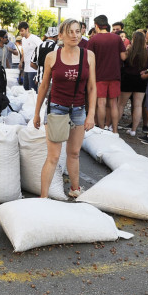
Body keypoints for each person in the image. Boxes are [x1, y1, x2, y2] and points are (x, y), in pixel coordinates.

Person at [33, 19, 97, 198]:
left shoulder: (88, 55)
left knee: (74, 153)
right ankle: (43, 197)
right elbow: (44, 86)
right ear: (60, 35)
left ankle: (75, 190)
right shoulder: (52, 57)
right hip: (56, 109)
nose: (75, 35)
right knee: (53, 156)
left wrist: (91, 114)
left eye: (78, 31)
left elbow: (92, 88)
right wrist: (37, 113)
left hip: (78, 109)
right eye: (70, 32)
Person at [87, 14, 126, 133]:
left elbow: (88, 59)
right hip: (115, 75)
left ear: (96, 26)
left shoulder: (93, 40)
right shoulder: (117, 38)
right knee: (114, 104)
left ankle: (102, 130)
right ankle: (115, 130)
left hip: (99, 76)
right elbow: (123, 57)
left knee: (101, 103)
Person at [117, 31, 148, 136]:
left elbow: (122, 59)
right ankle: (134, 130)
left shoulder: (130, 50)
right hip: (141, 80)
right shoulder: (147, 51)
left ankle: (114, 126)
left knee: (121, 104)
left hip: (128, 78)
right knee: (138, 105)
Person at [18, 21, 42, 91]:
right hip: (26, 69)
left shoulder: (34, 38)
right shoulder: (23, 39)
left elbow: (42, 48)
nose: (21, 33)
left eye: (22, 30)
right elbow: (25, 53)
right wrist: (21, 62)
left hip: (33, 69)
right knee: (25, 90)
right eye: (20, 31)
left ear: (27, 29)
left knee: (32, 91)